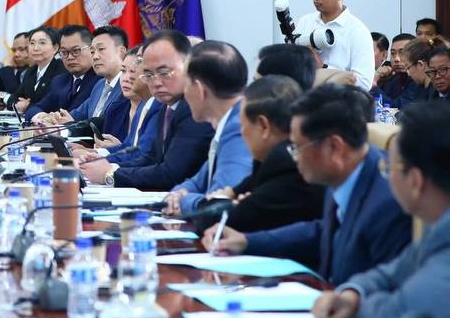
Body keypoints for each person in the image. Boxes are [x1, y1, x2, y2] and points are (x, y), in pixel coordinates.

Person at [203, 84, 411, 285]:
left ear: (333, 147)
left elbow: (388, 286)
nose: (295, 158)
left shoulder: (388, 201)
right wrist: (247, 241)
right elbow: (323, 231)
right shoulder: (346, 173)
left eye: (297, 148)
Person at [312, 102, 450, 318]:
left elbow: (403, 317)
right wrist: (353, 293)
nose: (386, 178)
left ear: (415, 181)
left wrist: (355, 309)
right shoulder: (437, 229)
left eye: (389, 167)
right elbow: (390, 274)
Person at [80, 31, 215, 190]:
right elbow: (151, 158)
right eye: (148, 75)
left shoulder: (194, 109)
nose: (156, 82)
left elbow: (172, 174)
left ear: (188, 67)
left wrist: (111, 174)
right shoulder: (166, 105)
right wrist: (103, 165)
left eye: (164, 73)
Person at [200, 76, 324, 232]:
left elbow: (215, 220)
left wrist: (225, 200)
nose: (241, 133)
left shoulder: (286, 164)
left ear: (263, 126)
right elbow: (239, 193)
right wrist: (232, 199)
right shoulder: (268, 159)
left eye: (242, 125)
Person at [163, 41, 254, 216]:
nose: (184, 93)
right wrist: (177, 194)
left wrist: (183, 200)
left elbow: (218, 207)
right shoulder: (229, 122)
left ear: (199, 90)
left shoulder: (240, 128)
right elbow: (196, 183)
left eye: (186, 85)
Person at [37, 26, 131, 140]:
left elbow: (103, 124)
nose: (95, 57)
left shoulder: (128, 87)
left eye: (101, 49)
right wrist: (54, 119)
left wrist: (67, 128)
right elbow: (74, 116)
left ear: (121, 52)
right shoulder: (100, 85)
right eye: (92, 51)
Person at [292, 0, 374, 90]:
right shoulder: (305, 22)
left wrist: (323, 68)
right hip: (305, 98)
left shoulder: (358, 31)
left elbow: (364, 83)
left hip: (339, 100)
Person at [23, 25, 96, 120]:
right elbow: (33, 109)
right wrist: (42, 116)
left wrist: (58, 120)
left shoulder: (101, 80)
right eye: (64, 52)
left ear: (91, 50)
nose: (70, 57)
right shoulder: (60, 81)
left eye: (76, 51)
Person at [7, 27, 64, 111]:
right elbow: (14, 97)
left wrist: (28, 106)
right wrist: (17, 104)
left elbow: (53, 105)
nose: (35, 48)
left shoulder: (61, 70)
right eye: (32, 43)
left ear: (55, 48)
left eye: (42, 43)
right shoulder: (31, 71)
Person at [375, 33, 419, 107]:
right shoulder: (388, 74)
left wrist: (373, 84)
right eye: (393, 53)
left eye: (402, 53)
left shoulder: (418, 79)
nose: (396, 59)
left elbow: (395, 106)